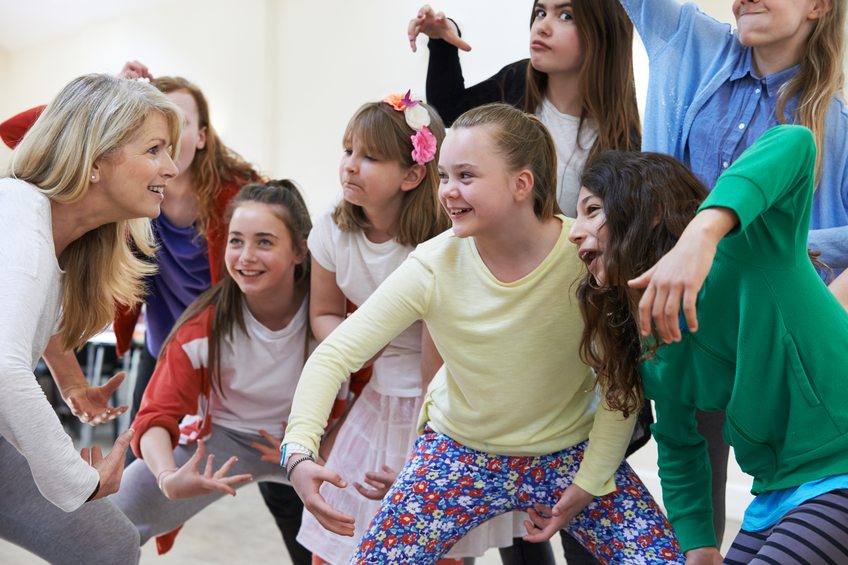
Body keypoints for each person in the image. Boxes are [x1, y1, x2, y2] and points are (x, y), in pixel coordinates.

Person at [282, 103, 684, 565]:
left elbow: (619, 383)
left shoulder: (586, 253)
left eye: (466, 176)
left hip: (568, 450)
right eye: (445, 176)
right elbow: (334, 355)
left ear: (521, 183)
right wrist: (299, 453)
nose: (448, 192)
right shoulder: (434, 265)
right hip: (459, 452)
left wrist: (590, 481)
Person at [616, 0, 848, 543]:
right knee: (693, 495)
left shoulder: (833, 128)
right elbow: (677, 452)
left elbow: (793, 150)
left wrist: (828, 303)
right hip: (679, 332)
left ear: (818, 6)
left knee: (796, 492)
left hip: (769, 355)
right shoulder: (689, 39)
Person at [570, 125, 848, 563]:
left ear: (653, 210)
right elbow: (680, 444)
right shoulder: (653, 336)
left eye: (592, 209)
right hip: (777, 491)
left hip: (840, 469)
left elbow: (796, 142)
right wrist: (698, 543)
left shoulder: (751, 248)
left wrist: (704, 230)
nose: (574, 230)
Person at [296, 93, 498, 565]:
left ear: (412, 174)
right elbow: (323, 313)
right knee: (343, 531)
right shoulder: (331, 228)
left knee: (427, 536)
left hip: (438, 396)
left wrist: (431, 443)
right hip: (377, 392)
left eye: (370, 157)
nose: (350, 166)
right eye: (348, 151)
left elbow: (441, 349)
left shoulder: (441, 242)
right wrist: (360, 347)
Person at [0, 72, 181, 564]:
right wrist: (78, 478)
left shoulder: (52, 236)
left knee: (109, 543)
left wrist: (73, 383)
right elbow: (5, 369)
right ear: (95, 159)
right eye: (155, 149)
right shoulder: (19, 217)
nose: (171, 166)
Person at [110, 181, 313, 565]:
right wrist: (167, 476)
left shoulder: (328, 316)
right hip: (220, 440)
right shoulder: (203, 326)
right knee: (103, 527)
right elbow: (155, 415)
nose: (246, 256)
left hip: (309, 443)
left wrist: (323, 450)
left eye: (265, 242)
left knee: (357, 539)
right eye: (236, 241)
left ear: (299, 250)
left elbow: (364, 389)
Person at [407, 0, 640, 217]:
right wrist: (441, 42)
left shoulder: (624, 142)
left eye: (566, 16)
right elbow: (448, 111)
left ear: (604, 33)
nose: (542, 27)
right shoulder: (516, 81)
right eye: (540, 12)